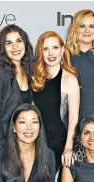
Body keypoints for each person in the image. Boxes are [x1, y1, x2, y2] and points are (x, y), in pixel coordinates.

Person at [32, 31, 80, 171]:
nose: (51, 53)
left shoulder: (70, 80)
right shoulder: (34, 79)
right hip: (34, 142)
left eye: (55, 48)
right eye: (45, 49)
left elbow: (73, 118)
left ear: (62, 50)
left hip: (59, 143)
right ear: (41, 52)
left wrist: (69, 147)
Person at [0, 24, 34, 157]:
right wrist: (2, 151)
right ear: (3, 48)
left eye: (19, 41)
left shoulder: (28, 72)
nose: (15, 47)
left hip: (11, 142)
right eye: (9, 43)